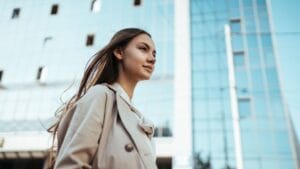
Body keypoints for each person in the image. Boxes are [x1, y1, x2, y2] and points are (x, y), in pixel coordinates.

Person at [47, 28, 157, 169]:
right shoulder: (100, 95)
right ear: (119, 52)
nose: (152, 58)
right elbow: (71, 165)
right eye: (143, 49)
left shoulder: (139, 119)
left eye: (154, 54)